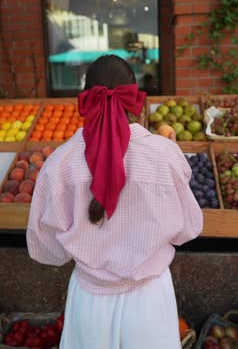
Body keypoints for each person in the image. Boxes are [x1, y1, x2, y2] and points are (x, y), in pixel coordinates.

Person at [26, 55, 203, 349]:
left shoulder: (59, 163)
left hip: (89, 301)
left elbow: (47, 251)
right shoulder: (165, 154)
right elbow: (188, 229)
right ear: (134, 96)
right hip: (150, 301)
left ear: (84, 97)